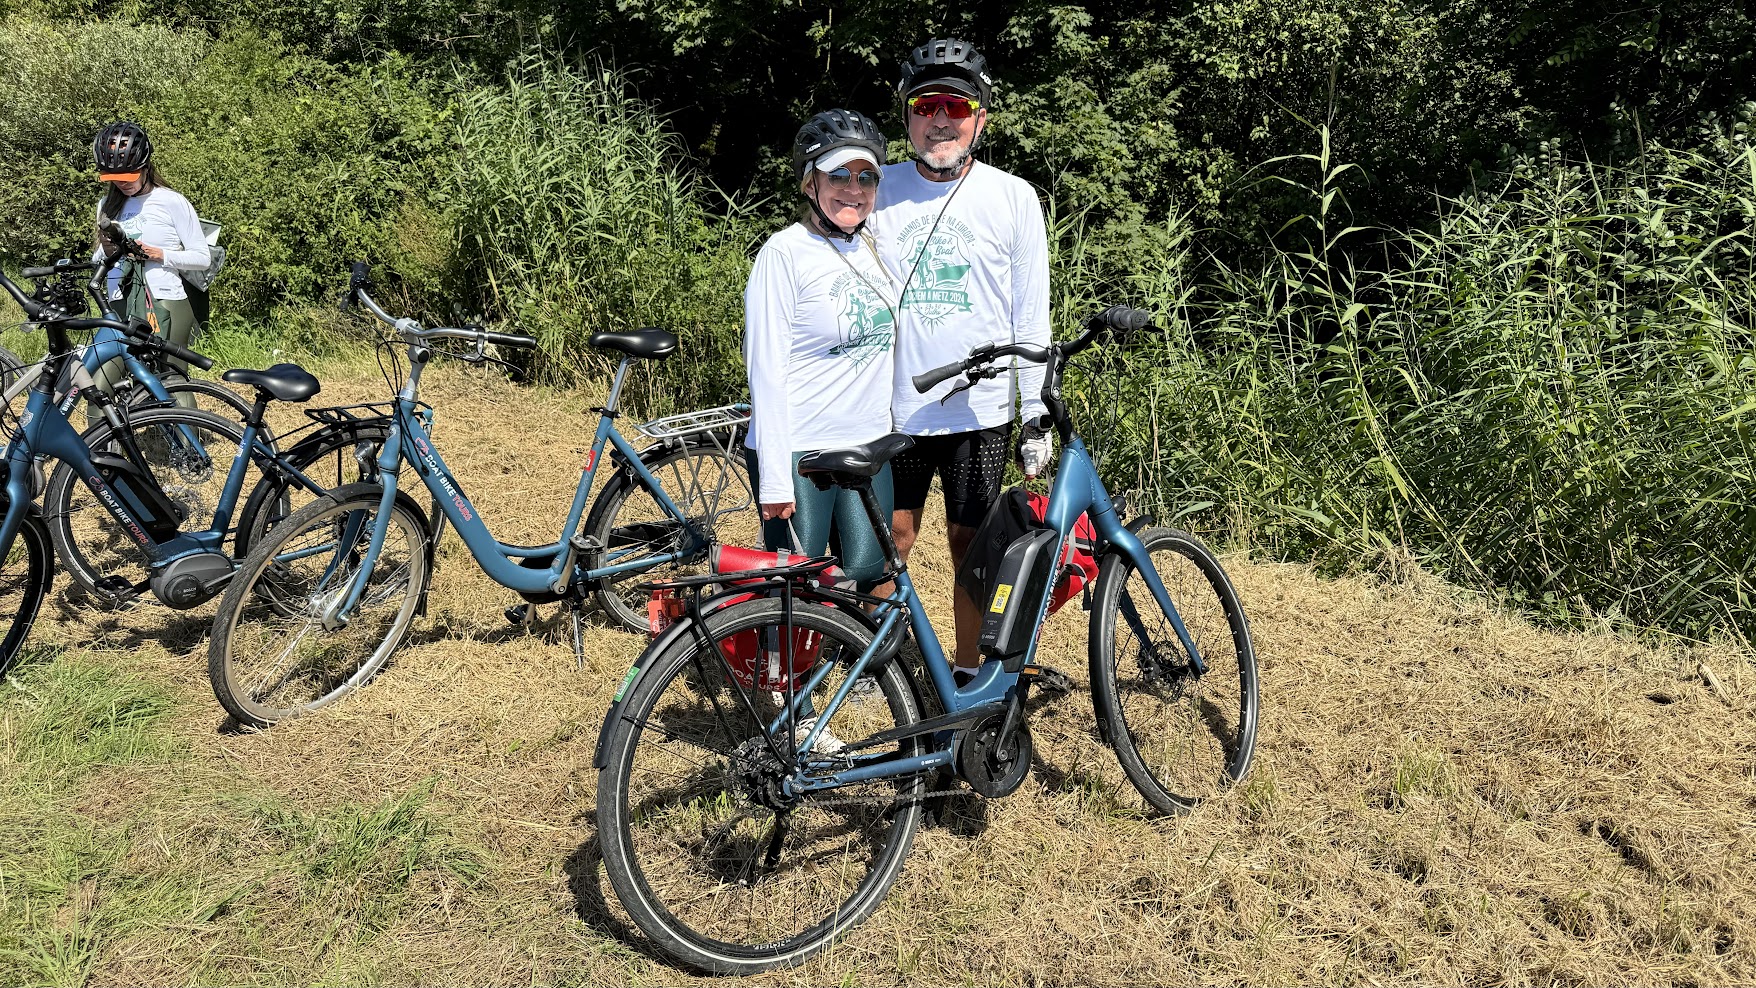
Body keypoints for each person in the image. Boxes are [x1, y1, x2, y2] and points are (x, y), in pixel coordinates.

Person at [876, 38, 1054, 683]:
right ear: (907, 115)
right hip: (893, 404)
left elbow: (1030, 316)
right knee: (889, 540)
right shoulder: (875, 189)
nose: (940, 120)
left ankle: (968, 671)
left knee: (971, 547)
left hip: (979, 409)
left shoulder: (1013, 197)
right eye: (926, 105)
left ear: (981, 117)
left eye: (956, 105)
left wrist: (1034, 414)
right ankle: (875, 672)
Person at [742, 109, 903, 588]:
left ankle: (846, 641)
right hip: (801, 448)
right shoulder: (783, 254)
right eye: (838, 175)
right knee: (794, 584)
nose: (853, 188)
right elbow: (765, 370)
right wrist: (775, 477)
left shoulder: (877, 248)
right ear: (810, 182)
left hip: (866, 442)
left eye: (866, 177)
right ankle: (763, 643)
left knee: (867, 571)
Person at [90, 121, 211, 410]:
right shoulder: (106, 204)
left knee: (170, 380)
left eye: (128, 176)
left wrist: (159, 254)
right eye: (115, 178)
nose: (122, 183)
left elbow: (202, 257)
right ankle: (104, 442)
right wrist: (107, 251)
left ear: (145, 166)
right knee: (98, 386)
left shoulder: (171, 201)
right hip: (119, 303)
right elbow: (97, 259)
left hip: (165, 302)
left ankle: (191, 440)